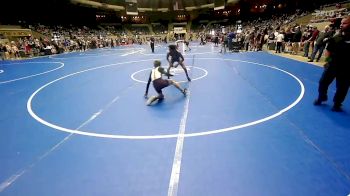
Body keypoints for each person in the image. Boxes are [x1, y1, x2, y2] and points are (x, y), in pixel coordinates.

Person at [313, 16, 350, 112]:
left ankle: (337, 104)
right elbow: (328, 51)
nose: (341, 25)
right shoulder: (336, 37)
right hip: (332, 65)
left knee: (342, 87)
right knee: (323, 82)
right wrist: (328, 61)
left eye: (344, 23)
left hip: (346, 68)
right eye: (341, 23)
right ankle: (322, 97)